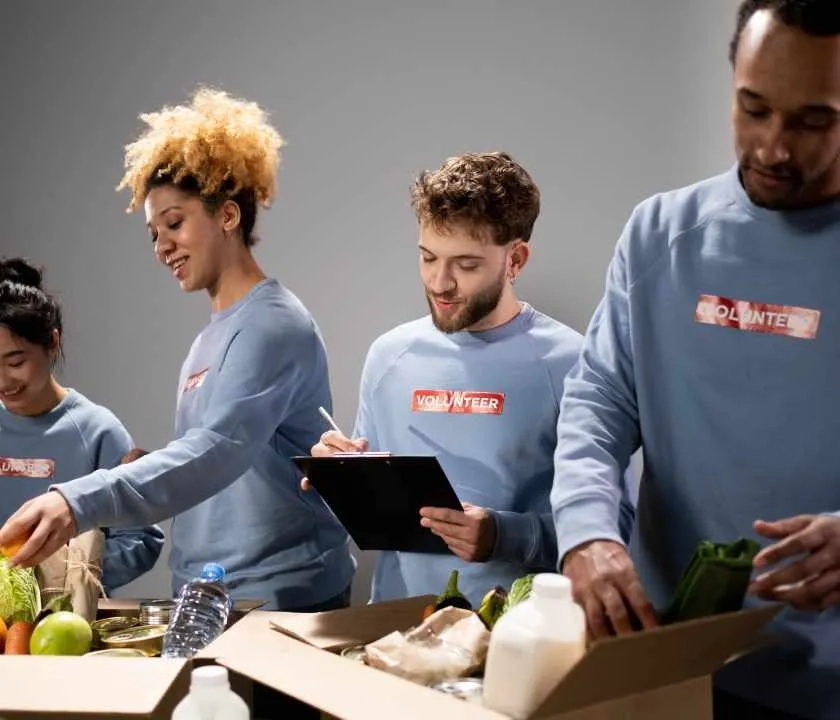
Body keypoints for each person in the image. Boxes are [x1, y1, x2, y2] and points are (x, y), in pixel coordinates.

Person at [551, 2, 840, 718]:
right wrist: (586, 530)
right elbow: (598, 403)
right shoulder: (659, 234)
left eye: (814, 120)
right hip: (672, 665)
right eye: (753, 108)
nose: (774, 147)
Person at [0, 88, 355, 612]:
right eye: (153, 233)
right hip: (207, 591)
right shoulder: (211, 336)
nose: (162, 246)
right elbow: (210, 458)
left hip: (279, 597)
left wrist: (77, 500)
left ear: (228, 215)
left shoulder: (273, 326)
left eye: (174, 222)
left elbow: (216, 451)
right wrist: (154, 467)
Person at [309, 151, 635, 606]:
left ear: (515, 260)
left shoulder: (572, 362)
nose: (439, 283)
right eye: (427, 258)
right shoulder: (389, 357)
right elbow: (377, 517)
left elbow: (617, 525)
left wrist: (503, 536)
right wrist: (337, 477)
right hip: (397, 634)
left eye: (465, 265)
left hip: (519, 635)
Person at [0, 257, 162, 593]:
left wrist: (65, 577)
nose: (4, 381)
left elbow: (141, 540)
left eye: (15, 361)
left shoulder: (97, 431)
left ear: (52, 342)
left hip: (70, 627)